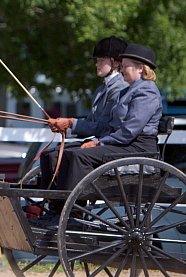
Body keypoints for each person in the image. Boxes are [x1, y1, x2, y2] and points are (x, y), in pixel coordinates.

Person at [53, 43, 162, 192]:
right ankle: (57, 205)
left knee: (80, 157)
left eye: (125, 66)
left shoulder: (146, 92)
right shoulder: (129, 90)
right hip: (124, 144)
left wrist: (100, 143)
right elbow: (113, 125)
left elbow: (129, 131)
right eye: (122, 66)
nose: (122, 70)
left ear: (141, 68)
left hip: (137, 147)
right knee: (68, 153)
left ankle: (74, 208)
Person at [38, 36, 129, 188]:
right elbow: (91, 121)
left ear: (114, 62)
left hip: (109, 144)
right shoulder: (102, 90)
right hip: (99, 141)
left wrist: (70, 123)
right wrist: (66, 128)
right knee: (49, 154)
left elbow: (102, 126)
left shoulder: (119, 89)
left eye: (101, 60)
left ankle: (67, 207)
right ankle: (50, 202)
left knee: (65, 156)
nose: (97, 64)